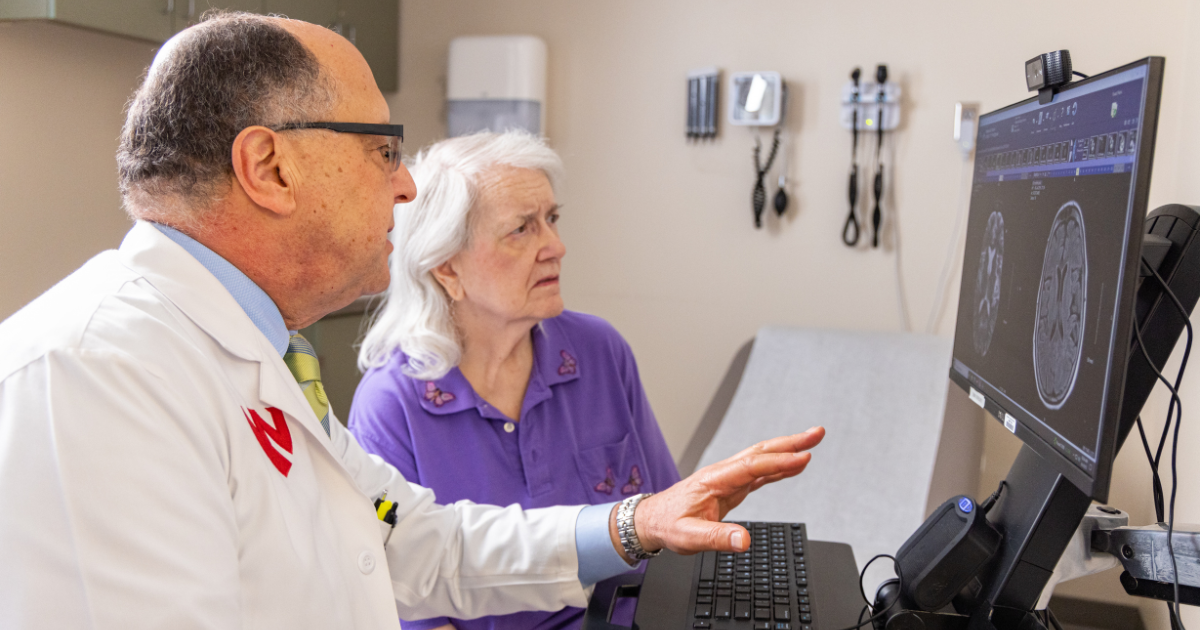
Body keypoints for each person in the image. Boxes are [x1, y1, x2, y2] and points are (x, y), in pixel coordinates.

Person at [0, 11, 825, 630]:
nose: (403, 189)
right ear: (269, 167)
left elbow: (409, 538)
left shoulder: (269, 364)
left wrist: (634, 523)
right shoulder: (95, 376)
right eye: (382, 151)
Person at [349, 131, 681, 630]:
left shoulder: (598, 350)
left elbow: (665, 518)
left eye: (551, 219)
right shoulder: (391, 405)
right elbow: (401, 602)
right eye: (521, 230)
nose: (556, 246)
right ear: (447, 268)